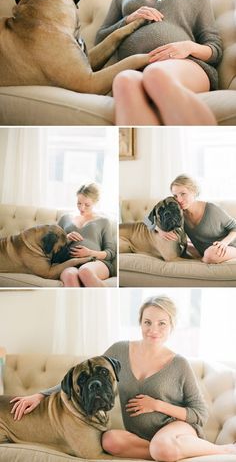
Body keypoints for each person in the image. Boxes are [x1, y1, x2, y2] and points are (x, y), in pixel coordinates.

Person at [9, 295, 236, 460]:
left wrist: (156, 404)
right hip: (142, 437)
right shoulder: (118, 351)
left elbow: (200, 414)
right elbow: (81, 377)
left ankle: (223, 449)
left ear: (171, 327)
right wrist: (40, 394)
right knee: (109, 440)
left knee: (161, 446)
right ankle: (168, 450)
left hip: (178, 427)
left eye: (161, 323)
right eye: (147, 322)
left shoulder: (179, 364)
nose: (153, 329)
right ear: (140, 322)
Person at [95, 0, 222, 126]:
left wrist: (188, 47)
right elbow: (101, 39)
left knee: (155, 74)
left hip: (185, 64)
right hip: (136, 68)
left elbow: (215, 48)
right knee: (123, 81)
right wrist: (127, 20)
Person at [157, 174, 236, 263]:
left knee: (211, 254)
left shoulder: (211, 209)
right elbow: (147, 220)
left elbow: (234, 226)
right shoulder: (177, 213)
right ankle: (204, 257)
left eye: (183, 194)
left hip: (229, 247)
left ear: (194, 192)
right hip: (204, 250)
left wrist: (224, 243)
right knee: (178, 244)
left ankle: (204, 259)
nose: (179, 200)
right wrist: (159, 231)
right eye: (175, 196)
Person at [57, 183, 116, 287]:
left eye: (87, 205)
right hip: (69, 263)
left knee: (85, 271)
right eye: (79, 203)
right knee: (69, 275)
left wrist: (89, 253)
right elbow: (51, 245)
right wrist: (65, 238)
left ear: (95, 203)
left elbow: (110, 252)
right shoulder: (65, 218)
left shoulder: (103, 221)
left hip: (95, 262)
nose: (82, 208)